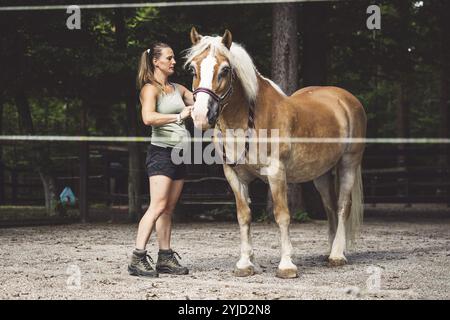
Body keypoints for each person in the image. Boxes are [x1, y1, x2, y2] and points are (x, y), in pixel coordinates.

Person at [128, 42, 194, 278]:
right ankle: (137, 257)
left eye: (173, 57)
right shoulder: (150, 89)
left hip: (180, 154)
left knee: (168, 209)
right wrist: (179, 116)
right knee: (157, 206)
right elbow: (148, 118)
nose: (174, 61)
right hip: (161, 153)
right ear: (156, 62)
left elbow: (199, 101)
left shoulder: (178, 88)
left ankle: (164, 258)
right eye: (169, 57)